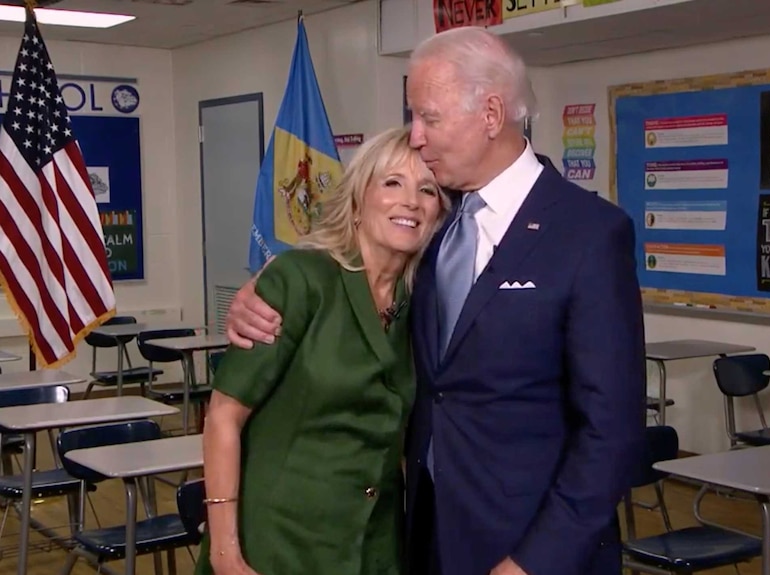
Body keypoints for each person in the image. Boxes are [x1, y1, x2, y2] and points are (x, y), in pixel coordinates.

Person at [225, 26, 646, 575]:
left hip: (530, 548)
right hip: (424, 537)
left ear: (491, 115)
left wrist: (534, 561)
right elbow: (357, 272)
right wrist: (266, 282)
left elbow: (610, 433)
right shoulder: (436, 229)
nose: (416, 136)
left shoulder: (588, 233)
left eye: (430, 117)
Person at [197, 125, 449, 575]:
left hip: (374, 545)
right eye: (392, 183)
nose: (411, 201)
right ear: (357, 200)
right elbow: (222, 415)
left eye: (427, 190)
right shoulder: (300, 280)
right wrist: (224, 551)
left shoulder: (423, 303)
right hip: (280, 541)